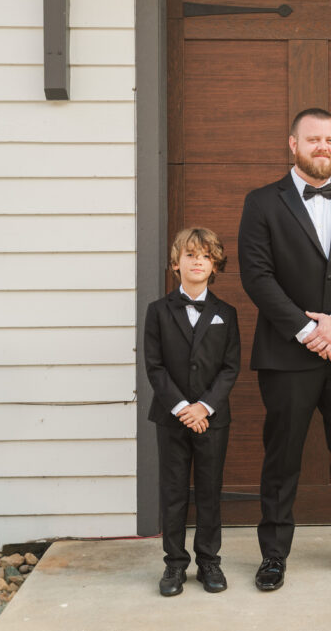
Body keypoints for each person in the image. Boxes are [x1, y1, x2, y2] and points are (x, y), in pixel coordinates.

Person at [238, 107, 331, 591]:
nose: (323, 147)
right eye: (313, 139)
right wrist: (308, 332)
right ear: (293, 144)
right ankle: (274, 555)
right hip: (288, 354)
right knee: (282, 456)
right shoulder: (262, 202)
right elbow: (256, 275)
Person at [144, 227, 241, 596]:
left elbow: (230, 367)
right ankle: (174, 564)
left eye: (205, 256)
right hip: (171, 417)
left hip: (212, 419)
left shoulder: (226, 313)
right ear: (176, 264)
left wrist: (204, 406)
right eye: (190, 255)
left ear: (214, 265)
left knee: (209, 490)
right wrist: (184, 408)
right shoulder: (157, 311)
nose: (197, 261)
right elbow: (155, 366)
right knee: (173, 491)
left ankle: (209, 561)